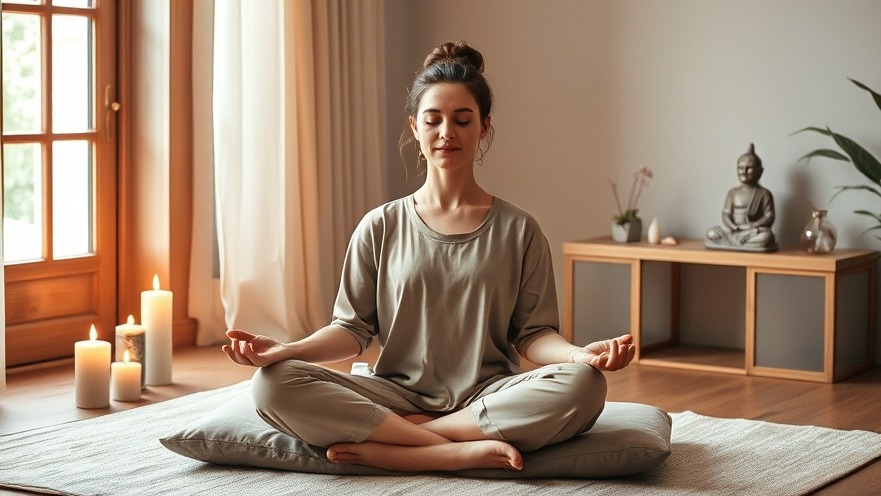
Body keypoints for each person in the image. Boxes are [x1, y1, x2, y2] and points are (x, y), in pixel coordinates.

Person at [223, 40, 635, 473]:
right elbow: (351, 329)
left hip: (488, 395)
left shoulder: (520, 229)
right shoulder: (379, 226)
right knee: (273, 384)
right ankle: (452, 450)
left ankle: (402, 444)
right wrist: (286, 350)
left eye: (462, 120)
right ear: (414, 128)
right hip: (392, 394)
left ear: (484, 128)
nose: (447, 133)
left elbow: (534, 336)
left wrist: (580, 356)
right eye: (433, 119)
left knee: (585, 386)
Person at [705, 143, 778, 252]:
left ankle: (733, 241)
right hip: (733, 230)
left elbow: (769, 216)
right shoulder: (733, 193)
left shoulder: (763, 193)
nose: (744, 171)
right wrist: (733, 226)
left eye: (749, 168)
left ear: (760, 171)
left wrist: (752, 226)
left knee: (767, 236)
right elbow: (726, 214)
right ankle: (736, 241)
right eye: (740, 168)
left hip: (751, 231)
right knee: (711, 233)